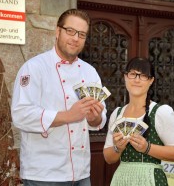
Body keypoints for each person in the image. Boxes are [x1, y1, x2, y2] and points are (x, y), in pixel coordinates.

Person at [11, 9, 107, 186]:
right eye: (70, 31)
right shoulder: (34, 68)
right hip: (43, 174)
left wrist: (95, 118)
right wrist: (69, 116)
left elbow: (99, 121)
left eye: (81, 34)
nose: (75, 38)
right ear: (57, 31)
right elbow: (21, 114)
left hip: (81, 172)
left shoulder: (90, 72)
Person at [103, 57, 174, 186]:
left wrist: (147, 148)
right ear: (125, 77)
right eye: (132, 74)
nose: (136, 79)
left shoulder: (161, 112)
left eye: (143, 76)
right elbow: (108, 158)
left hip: (150, 179)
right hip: (121, 179)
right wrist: (117, 148)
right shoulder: (117, 113)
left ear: (151, 81)